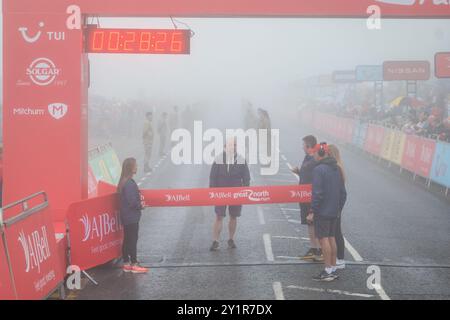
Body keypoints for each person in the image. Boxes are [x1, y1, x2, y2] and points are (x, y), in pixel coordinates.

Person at [308, 143, 347, 282]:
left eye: (315, 153)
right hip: (334, 211)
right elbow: (343, 193)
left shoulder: (319, 170)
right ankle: (333, 268)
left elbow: (317, 193)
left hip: (323, 211)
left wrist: (312, 211)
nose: (313, 155)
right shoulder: (337, 168)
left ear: (320, 153)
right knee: (331, 238)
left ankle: (327, 270)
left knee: (324, 239)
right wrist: (338, 208)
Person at [209, 138, 250, 251]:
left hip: (236, 193)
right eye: (231, 145)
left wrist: (245, 191)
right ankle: (215, 241)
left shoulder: (241, 159)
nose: (233, 147)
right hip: (220, 193)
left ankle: (231, 240)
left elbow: (246, 178)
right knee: (219, 216)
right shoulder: (218, 159)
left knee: (233, 216)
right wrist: (212, 191)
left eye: (235, 145)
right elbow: (212, 177)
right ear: (225, 147)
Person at [291, 135, 323, 262]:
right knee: (309, 223)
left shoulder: (315, 159)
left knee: (315, 222)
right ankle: (314, 249)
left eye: (303, 145)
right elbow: (307, 175)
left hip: (311, 196)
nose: (302, 147)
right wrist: (298, 172)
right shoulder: (308, 157)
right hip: (304, 195)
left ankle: (320, 251)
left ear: (308, 146)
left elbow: (317, 177)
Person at [118, 158, 148, 274]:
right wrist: (141, 206)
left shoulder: (123, 181)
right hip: (131, 217)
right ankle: (134, 264)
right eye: (135, 165)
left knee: (127, 239)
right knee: (132, 239)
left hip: (126, 216)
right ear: (130, 168)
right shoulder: (129, 183)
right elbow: (132, 201)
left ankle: (126, 263)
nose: (137, 167)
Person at [327, 144, 346, 270]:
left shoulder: (337, 168)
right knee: (334, 232)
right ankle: (336, 257)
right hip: (334, 204)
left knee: (336, 232)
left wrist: (338, 208)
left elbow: (342, 192)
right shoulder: (337, 167)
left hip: (335, 205)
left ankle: (340, 258)